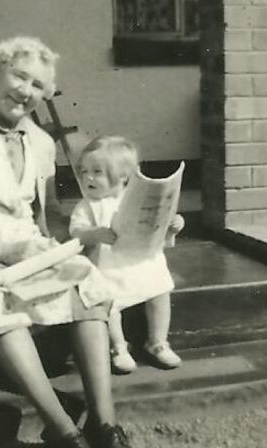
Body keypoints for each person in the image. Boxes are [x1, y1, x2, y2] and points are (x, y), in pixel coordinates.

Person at [0, 37, 130, 448]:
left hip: (27, 246)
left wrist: (63, 245)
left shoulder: (39, 141)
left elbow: (44, 213)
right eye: (19, 76)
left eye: (37, 85)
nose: (25, 91)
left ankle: (104, 425)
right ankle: (63, 430)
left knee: (86, 281)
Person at [68, 136, 185, 375]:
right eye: (84, 171)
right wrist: (94, 234)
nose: (88, 178)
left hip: (140, 259)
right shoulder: (87, 205)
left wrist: (173, 225)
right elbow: (76, 232)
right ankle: (118, 346)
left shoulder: (134, 200)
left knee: (160, 288)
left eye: (97, 172)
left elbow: (156, 226)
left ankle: (157, 341)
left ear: (123, 176)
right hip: (108, 264)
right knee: (109, 300)